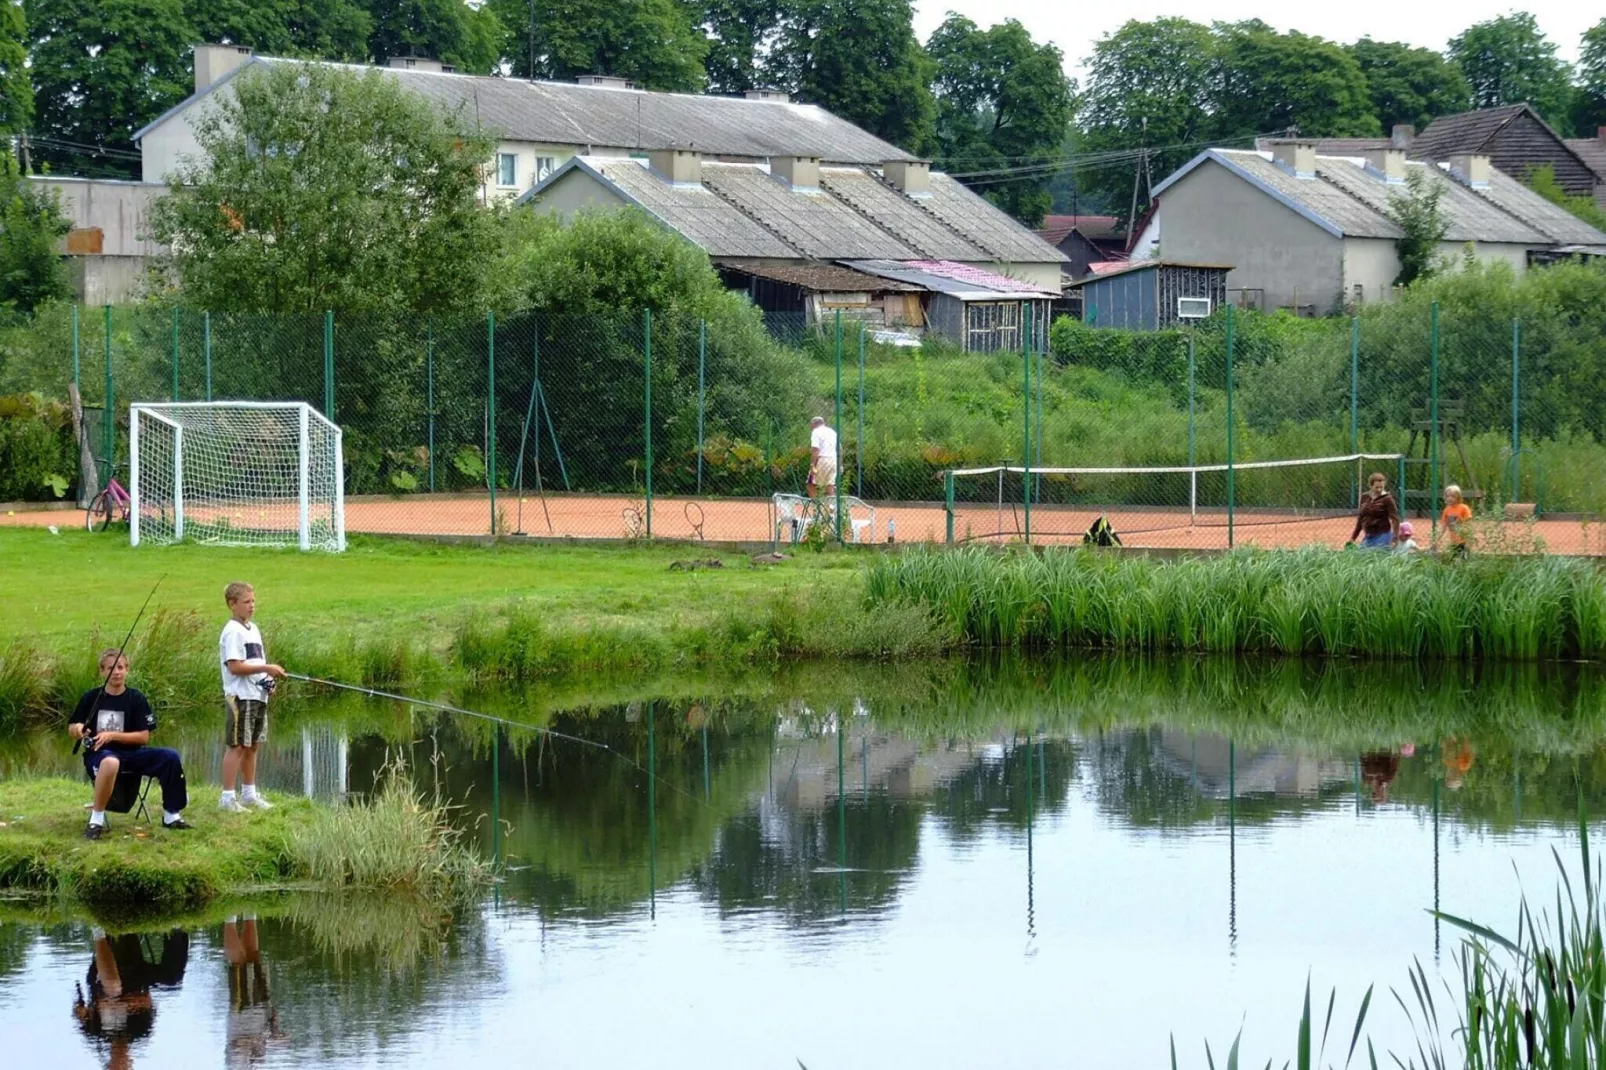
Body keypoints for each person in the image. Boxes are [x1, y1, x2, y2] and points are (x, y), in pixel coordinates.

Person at [69, 649, 191, 839]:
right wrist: (78, 729)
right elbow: (72, 728)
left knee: (170, 757)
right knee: (111, 762)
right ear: (102, 671)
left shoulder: (136, 698)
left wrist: (112, 735)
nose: (116, 672)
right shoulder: (91, 697)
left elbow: (143, 737)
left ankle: (171, 815)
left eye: (120, 667)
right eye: (111, 668)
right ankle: (96, 820)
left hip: (133, 754)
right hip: (100, 754)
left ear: (127, 670)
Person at [73, 928, 189, 1070]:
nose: (121, 1062)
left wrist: (90, 1008)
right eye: (125, 1067)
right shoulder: (140, 1031)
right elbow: (146, 1000)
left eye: (117, 1067)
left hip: (102, 978)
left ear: (109, 1064)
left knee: (113, 987)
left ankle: (98, 931)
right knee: (172, 979)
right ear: (131, 1062)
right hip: (135, 976)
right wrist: (118, 1003)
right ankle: (176, 928)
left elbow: (78, 1008)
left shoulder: (95, 1033)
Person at [219, 582, 286, 813]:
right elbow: (235, 666)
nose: (252, 606)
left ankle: (249, 794)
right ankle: (227, 797)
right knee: (237, 745)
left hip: (257, 696)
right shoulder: (232, 631)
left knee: (253, 745)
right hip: (240, 697)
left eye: (253, 601)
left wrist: (268, 681)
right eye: (246, 602)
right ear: (232, 604)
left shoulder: (253, 629)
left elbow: (256, 663)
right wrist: (267, 668)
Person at [223, 915, 281, 1067]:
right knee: (253, 958)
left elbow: (235, 1045)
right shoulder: (258, 1064)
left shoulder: (235, 1066)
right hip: (261, 1014)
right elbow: (263, 1045)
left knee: (239, 963)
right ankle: (250, 912)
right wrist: (274, 1029)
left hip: (241, 1015)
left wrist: (250, 1043)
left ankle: (230, 915)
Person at [1348, 471, 1400, 549]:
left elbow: (1395, 519)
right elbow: (1361, 518)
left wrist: (1395, 538)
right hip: (1369, 535)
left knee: (1376, 553)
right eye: (1377, 487)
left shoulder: (1387, 499)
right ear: (1371, 486)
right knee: (1361, 554)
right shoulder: (1365, 497)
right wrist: (1353, 538)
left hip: (1382, 534)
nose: (1379, 490)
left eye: (1381, 487)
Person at [807, 416, 838, 502]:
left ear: (814, 424)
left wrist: (812, 465)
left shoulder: (816, 432)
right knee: (829, 485)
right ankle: (832, 507)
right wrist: (840, 464)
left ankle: (817, 506)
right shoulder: (832, 432)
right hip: (833, 459)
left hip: (822, 460)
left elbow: (816, 449)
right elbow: (840, 448)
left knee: (810, 485)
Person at [1438, 484, 1473, 557]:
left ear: (1458, 497)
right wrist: (1437, 538)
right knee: (1454, 558)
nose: (1449, 498)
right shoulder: (1446, 510)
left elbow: (1469, 523)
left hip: (1464, 541)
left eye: (1453, 496)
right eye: (1447, 496)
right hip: (1453, 541)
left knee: (1463, 559)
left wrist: (1468, 540)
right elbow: (1443, 526)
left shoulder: (1464, 508)